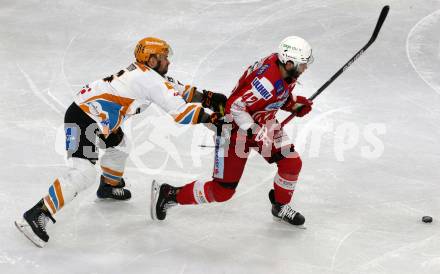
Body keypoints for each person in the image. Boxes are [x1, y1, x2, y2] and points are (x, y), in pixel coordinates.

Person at [15, 37, 225, 247]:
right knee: (83, 173)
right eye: (163, 58)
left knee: (120, 146)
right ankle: (37, 213)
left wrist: (208, 97)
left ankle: (109, 186)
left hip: (97, 116)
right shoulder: (149, 80)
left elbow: (177, 89)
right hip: (85, 118)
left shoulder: (147, 74)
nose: (168, 62)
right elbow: (180, 112)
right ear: (151, 61)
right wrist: (211, 119)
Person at [151, 36, 314, 227]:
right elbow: (234, 107)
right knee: (222, 191)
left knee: (291, 163)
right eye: (302, 64)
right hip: (234, 130)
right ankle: (169, 194)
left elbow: (276, 93)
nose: (305, 68)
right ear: (288, 62)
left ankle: (280, 206)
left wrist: (292, 104)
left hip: (262, 122)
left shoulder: (283, 69)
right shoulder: (266, 83)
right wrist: (254, 130)